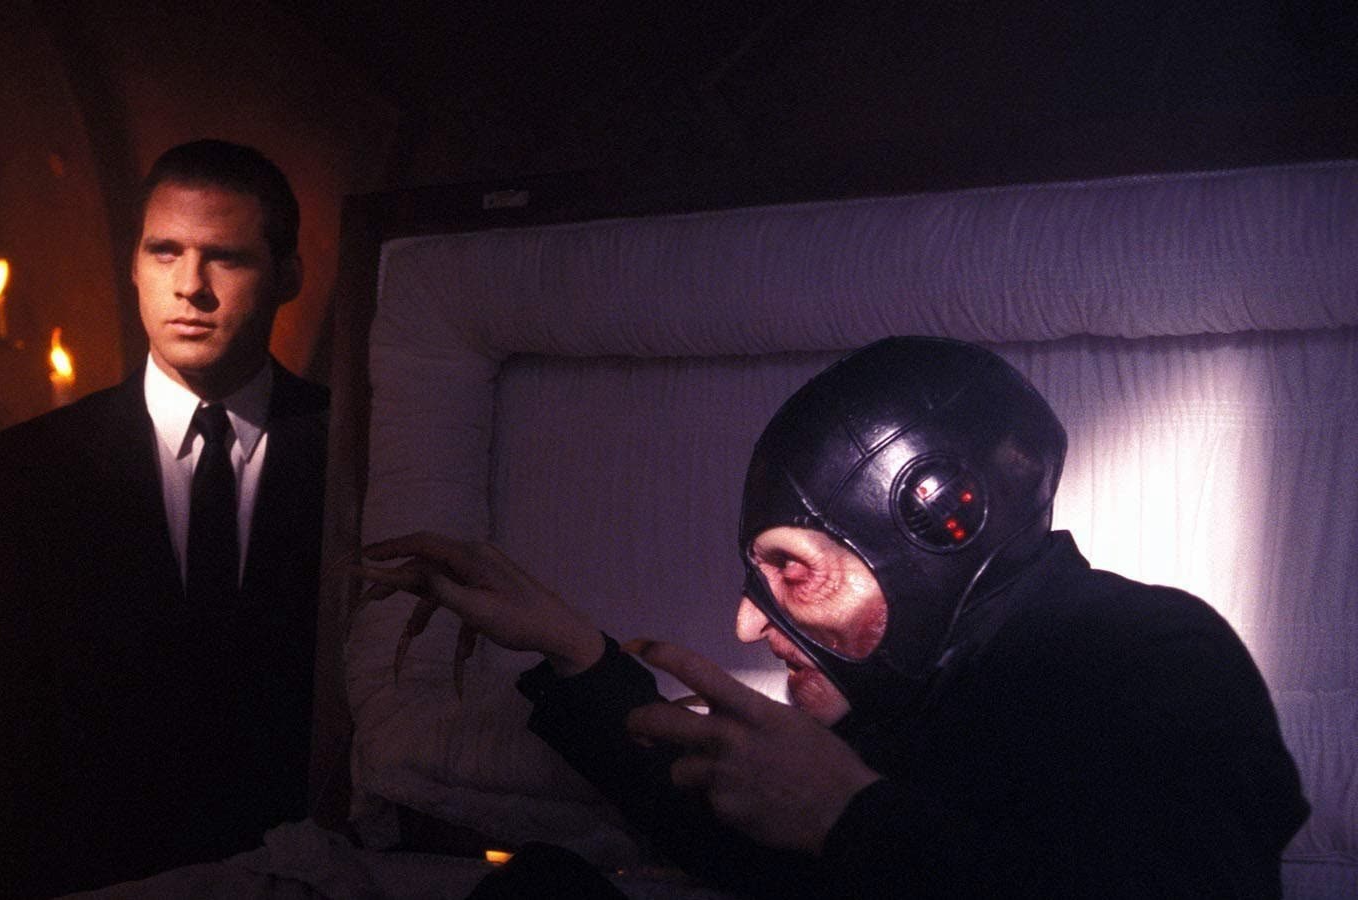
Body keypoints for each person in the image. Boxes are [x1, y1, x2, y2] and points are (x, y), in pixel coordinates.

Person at [362, 336, 1309, 897]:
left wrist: (850, 819)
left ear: (936, 528)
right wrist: (573, 651)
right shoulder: (910, 695)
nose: (747, 624)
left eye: (793, 568)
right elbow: (732, 834)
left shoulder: (1157, 660)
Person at [0, 140, 329, 899]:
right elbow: (3, 737)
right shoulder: (38, 465)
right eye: (165, 252)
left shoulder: (353, 450)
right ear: (133, 264)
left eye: (226, 258)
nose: (189, 287)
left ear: (287, 276)